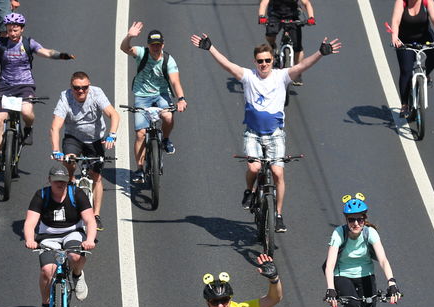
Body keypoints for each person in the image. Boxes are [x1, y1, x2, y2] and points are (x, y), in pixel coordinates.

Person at [189, 32, 341, 233]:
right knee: (254, 168)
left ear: (273, 61)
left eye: (268, 60)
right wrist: (210, 48)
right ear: (255, 61)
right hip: (252, 133)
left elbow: (302, 66)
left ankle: (277, 215)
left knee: (278, 172)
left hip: (275, 134)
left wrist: (320, 53)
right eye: (260, 61)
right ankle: (249, 191)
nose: (264, 64)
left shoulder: (282, 76)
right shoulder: (248, 76)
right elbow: (226, 64)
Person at [0, 12, 75, 171]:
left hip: (25, 85)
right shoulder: (0, 43)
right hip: (5, 86)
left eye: (15, 30)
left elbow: (46, 52)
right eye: (9, 30)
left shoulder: (29, 43)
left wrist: (62, 56)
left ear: (22, 30)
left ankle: (28, 129)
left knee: (26, 111)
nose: (12, 33)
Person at [23, 163, 96, 307]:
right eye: (56, 181)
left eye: (63, 180)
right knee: (47, 271)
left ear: (67, 180)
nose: (60, 184)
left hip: (72, 232)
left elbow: (90, 220)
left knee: (76, 256)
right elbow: (30, 222)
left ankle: (77, 275)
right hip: (48, 236)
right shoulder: (41, 195)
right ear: (49, 180)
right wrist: (29, 239)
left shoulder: (76, 194)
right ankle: (45, 306)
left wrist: (90, 239)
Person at [51, 71, 120, 232]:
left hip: (95, 139)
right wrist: (56, 150)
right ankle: (70, 183)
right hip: (73, 138)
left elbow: (113, 114)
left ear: (89, 86)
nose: (81, 91)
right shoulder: (65, 97)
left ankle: (95, 215)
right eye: (77, 88)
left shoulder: (96, 93)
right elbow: (55, 127)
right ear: (71, 87)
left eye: (84, 87)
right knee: (69, 160)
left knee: (96, 176)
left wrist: (112, 134)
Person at [120, 22, 188, 181]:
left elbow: (175, 82)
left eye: (158, 45)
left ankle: (165, 139)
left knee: (168, 117)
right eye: (152, 45)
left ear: (162, 45)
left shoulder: (168, 60)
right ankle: (139, 169)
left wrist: (181, 99)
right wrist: (129, 36)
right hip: (142, 96)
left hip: (161, 94)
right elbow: (124, 48)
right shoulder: (142, 53)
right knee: (141, 134)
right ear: (148, 45)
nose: (155, 48)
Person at [388, 0, 434, 119]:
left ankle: (427, 74)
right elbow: (396, 21)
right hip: (405, 40)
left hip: (424, 36)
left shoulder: (427, 2)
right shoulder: (401, 2)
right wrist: (395, 37)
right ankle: (404, 104)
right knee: (406, 71)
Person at [258, 0, 315, 81]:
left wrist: (311, 17)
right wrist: (261, 16)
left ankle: (298, 72)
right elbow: (264, 3)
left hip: (292, 17)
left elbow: (306, 3)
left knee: (297, 47)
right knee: (270, 34)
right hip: (275, 16)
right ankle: (273, 46)